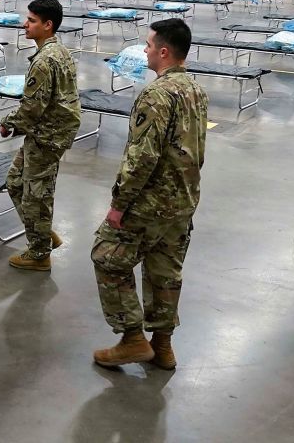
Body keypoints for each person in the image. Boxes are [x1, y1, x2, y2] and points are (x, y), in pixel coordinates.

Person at [91, 18, 207, 370]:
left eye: (148, 44)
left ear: (164, 51)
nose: (144, 50)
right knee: (165, 271)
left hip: (149, 202)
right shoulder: (196, 90)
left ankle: (131, 338)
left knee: (107, 257)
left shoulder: (156, 94)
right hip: (182, 201)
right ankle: (163, 345)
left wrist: (118, 204)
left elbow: (142, 156)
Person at [0, 0, 80, 271]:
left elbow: (31, 109)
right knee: (14, 182)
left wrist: (7, 121)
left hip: (48, 136)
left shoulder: (45, 61)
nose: (25, 24)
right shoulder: (59, 52)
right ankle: (42, 233)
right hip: (47, 132)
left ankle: (39, 253)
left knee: (37, 194)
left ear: (48, 25)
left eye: (32, 21)